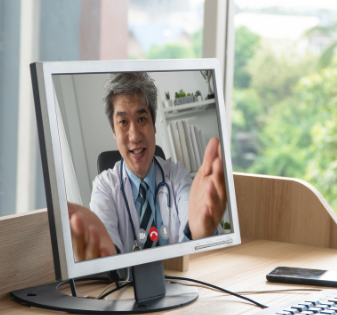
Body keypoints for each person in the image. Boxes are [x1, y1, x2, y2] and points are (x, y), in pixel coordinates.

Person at [68, 72, 227, 261]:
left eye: (142, 119)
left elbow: (191, 218)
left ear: (154, 126)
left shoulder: (176, 175)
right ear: (114, 132)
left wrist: (198, 233)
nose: (134, 136)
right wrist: (106, 258)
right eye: (123, 123)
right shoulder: (104, 186)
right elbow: (107, 239)